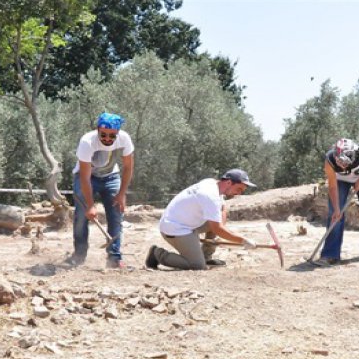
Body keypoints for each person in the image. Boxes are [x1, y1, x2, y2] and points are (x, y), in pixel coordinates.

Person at [145, 169, 258, 270]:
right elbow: (217, 228)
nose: (239, 193)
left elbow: (222, 208)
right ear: (228, 182)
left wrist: (221, 227)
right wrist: (243, 240)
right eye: (238, 189)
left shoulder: (212, 183)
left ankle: (205, 256)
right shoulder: (210, 195)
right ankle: (157, 254)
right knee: (197, 265)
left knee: (215, 224)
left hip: (186, 223)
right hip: (175, 229)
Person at [70, 112, 134, 268]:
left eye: (112, 136)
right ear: (97, 129)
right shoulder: (87, 141)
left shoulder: (124, 138)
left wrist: (121, 194)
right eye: (103, 134)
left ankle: (114, 257)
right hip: (87, 178)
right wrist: (90, 205)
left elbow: (128, 167)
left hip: (111, 176)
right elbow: (85, 177)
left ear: (117, 133)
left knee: (116, 214)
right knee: (81, 216)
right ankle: (79, 255)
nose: (107, 139)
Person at [315, 138, 359, 265]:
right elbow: (332, 187)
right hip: (340, 181)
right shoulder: (329, 161)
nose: (343, 165)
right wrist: (337, 209)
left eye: (345, 162)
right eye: (340, 162)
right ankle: (330, 254)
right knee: (335, 216)